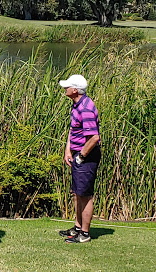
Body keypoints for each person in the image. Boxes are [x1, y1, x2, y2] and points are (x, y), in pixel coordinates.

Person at [59, 74, 101, 243]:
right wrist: (68, 150)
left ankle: (84, 233)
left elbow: (94, 137)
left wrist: (81, 157)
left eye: (67, 87)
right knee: (77, 193)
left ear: (75, 90)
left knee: (85, 194)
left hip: (87, 157)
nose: (65, 89)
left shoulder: (86, 108)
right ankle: (77, 227)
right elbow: (73, 130)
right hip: (77, 154)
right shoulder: (76, 105)